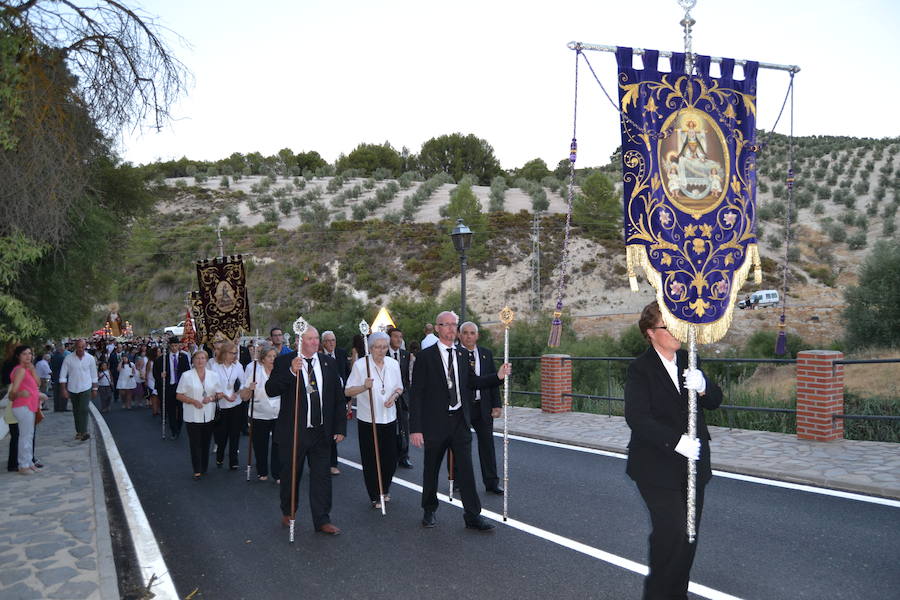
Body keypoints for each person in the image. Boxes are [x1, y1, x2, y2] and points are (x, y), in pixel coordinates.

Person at [624, 301, 723, 600]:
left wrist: (703, 385)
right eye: (670, 326)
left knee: (689, 536)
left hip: (693, 465)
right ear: (651, 333)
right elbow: (637, 418)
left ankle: (677, 595)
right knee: (672, 532)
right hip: (656, 465)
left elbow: (715, 400)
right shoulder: (640, 369)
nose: (678, 331)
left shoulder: (689, 358)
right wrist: (677, 441)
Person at [410, 311, 510, 531]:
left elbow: (472, 382)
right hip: (435, 423)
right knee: (431, 469)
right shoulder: (425, 357)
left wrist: (498, 377)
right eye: (446, 325)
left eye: (454, 325)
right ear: (437, 328)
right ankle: (429, 509)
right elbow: (416, 394)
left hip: (459, 422)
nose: (451, 329)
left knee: (466, 470)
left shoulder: (462, 356)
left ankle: (472, 515)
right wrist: (415, 428)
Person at [266, 326, 346, 535]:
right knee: (291, 473)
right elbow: (271, 389)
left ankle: (322, 519)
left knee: (322, 476)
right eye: (310, 339)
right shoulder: (285, 361)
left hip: (321, 431)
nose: (315, 342)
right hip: (294, 430)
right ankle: (288, 511)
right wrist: (292, 371)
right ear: (299, 341)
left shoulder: (329, 362)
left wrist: (339, 427)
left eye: (317, 338)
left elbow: (337, 398)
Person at [345, 331, 403, 509]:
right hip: (368, 419)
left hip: (389, 418)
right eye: (378, 347)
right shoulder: (361, 365)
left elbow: (399, 387)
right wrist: (364, 386)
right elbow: (347, 391)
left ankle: (384, 488)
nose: (382, 350)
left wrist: (393, 397)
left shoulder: (393, 364)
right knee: (371, 459)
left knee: (391, 458)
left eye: (385, 347)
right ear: (370, 348)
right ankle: (375, 494)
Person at [457, 321, 504, 494]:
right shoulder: (454, 354)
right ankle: (457, 480)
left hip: (483, 407)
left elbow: (493, 380)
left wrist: (496, 405)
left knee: (487, 446)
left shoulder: (486, 354)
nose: (469, 336)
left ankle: (491, 482)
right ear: (459, 335)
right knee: (460, 445)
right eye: (465, 333)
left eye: (472, 333)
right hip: (463, 408)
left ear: (477, 336)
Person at [176, 349, 223, 480]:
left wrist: (211, 398)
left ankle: (204, 467)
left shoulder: (213, 375)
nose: (200, 361)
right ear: (193, 360)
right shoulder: (186, 375)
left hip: (209, 414)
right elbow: (179, 395)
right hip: (192, 415)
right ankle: (197, 470)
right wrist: (192, 401)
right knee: (195, 443)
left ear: (206, 360)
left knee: (206, 442)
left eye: (203, 358)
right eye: (197, 358)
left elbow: (220, 394)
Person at [240, 343, 281, 482]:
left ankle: (277, 473)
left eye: (274, 356)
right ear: (262, 359)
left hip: (278, 414)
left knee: (278, 445)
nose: (272, 359)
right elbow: (244, 397)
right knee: (260, 444)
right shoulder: (254, 373)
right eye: (269, 356)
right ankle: (262, 471)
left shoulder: (281, 373)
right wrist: (249, 389)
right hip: (259, 414)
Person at [7, 346, 47, 474]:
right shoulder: (20, 371)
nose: (28, 356)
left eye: (30, 353)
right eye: (24, 354)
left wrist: (33, 369)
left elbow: (38, 384)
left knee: (29, 436)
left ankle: (29, 462)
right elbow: (12, 394)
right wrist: (20, 394)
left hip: (30, 405)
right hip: (23, 406)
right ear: (18, 356)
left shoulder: (27, 369)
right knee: (25, 436)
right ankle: (23, 465)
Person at [210, 341, 246, 470]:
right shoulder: (215, 367)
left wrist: (236, 393)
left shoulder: (238, 366)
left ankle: (233, 460)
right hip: (221, 404)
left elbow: (243, 382)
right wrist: (225, 395)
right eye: (231, 353)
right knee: (221, 434)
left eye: (235, 353)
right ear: (224, 353)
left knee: (235, 433)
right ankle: (219, 456)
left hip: (236, 404)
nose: (234, 356)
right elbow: (213, 385)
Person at [321, 330, 350, 476]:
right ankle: (321, 462)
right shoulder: (319, 355)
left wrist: (348, 400)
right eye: (328, 341)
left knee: (334, 430)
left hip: (339, 398)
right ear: (323, 342)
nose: (331, 343)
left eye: (333, 340)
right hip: (322, 399)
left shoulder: (341, 353)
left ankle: (333, 463)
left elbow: (346, 373)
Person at [59, 339, 98, 441]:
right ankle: (79, 432)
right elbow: (63, 375)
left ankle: (84, 431)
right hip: (73, 388)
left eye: (82, 347)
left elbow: (94, 375)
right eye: (78, 347)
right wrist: (63, 389)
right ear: (75, 347)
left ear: (85, 347)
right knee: (76, 410)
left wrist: (94, 388)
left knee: (84, 409)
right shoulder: (68, 358)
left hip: (86, 387)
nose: (80, 349)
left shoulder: (90, 359)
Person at [386, 326, 413, 469]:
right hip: (388, 397)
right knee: (390, 426)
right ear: (389, 338)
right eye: (395, 336)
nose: (398, 339)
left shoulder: (405, 355)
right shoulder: (383, 354)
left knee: (404, 426)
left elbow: (407, 378)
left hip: (402, 397)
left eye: (400, 337)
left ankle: (404, 456)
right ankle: (391, 455)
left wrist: (408, 395)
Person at [153, 337, 190, 440]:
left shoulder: (184, 357)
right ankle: (174, 430)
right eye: (172, 346)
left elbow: (187, 372)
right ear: (169, 346)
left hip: (181, 387)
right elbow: (155, 373)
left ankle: (179, 427)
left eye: (176, 345)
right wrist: (161, 376)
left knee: (182, 410)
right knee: (171, 410)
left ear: (179, 346)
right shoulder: (162, 359)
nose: (174, 348)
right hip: (169, 387)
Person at [50, 344, 66, 412]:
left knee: (56, 394)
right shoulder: (62, 357)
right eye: (63, 349)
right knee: (62, 393)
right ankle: (62, 407)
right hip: (61, 377)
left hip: (55, 376)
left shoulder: (53, 357)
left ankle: (56, 407)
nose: (63, 351)